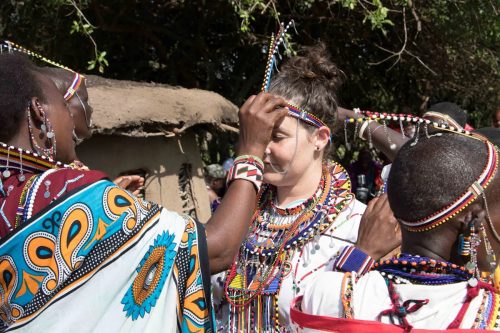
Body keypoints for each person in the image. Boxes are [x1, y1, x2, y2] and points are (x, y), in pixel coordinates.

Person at [0, 52, 288, 331]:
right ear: (40, 113)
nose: (73, 125)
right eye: (64, 107)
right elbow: (216, 249)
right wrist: (250, 151)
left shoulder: (11, 195)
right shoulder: (79, 198)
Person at [214, 44, 400, 332]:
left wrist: (361, 257)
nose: (261, 149)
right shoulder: (234, 215)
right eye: (256, 137)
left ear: (320, 138)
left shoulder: (359, 227)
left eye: (276, 137)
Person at [292, 132, 500, 331]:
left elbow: (332, 299)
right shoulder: (490, 316)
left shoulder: (324, 294)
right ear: (473, 218)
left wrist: (361, 254)